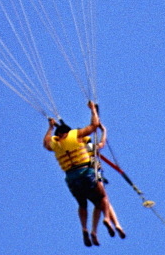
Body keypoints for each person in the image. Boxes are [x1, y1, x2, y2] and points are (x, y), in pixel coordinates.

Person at [43, 102, 125, 247]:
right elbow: (94, 128)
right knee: (102, 198)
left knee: (82, 204)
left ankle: (85, 229)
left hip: (71, 179)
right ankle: (107, 219)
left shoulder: (56, 145)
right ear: (68, 132)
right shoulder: (78, 137)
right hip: (86, 173)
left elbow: (46, 144)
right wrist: (93, 110)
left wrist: (50, 127)